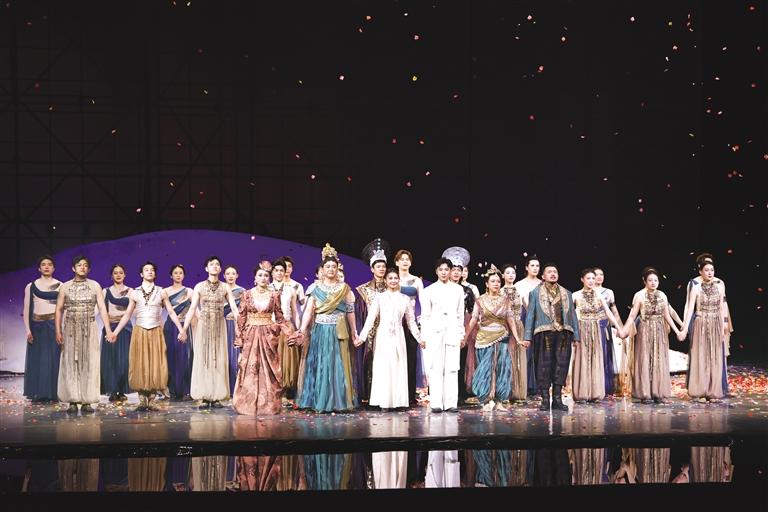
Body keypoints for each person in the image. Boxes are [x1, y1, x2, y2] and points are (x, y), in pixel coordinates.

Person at [110, 261, 186, 411]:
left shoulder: (161, 291)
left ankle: (151, 399)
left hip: (155, 331)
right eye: (146, 270)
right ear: (141, 274)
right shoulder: (135, 292)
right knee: (140, 363)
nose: (150, 272)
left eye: (152, 270)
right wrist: (115, 332)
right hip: (140, 331)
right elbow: (127, 315)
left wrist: (181, 329)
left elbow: (171, 312)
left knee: (155, 363)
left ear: (155, 274)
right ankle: (142, 400)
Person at [295, 243, 359, 412]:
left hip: (339, 331)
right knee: (321, 364)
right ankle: (319, 400)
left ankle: (339, 401)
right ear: (322, 270)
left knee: (338, 364)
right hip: (320, 330)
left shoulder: (345, 289)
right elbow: (308, 312)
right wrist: (302, 330)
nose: (331, 269)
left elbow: (350, 312)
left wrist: (354, 332)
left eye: (334, 267)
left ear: (338, 269)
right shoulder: (315, 288)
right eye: (328, 266)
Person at [232, 266, 295, 415]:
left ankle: (268, 404)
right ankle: (248, 404)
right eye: (260, 275)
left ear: (269, 278)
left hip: (268, 335)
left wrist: (289, 333)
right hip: (251, 335)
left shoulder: (274, 295)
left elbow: (280, 317)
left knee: (269, 369)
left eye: (266, 275)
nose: (263, 278)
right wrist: (239, 337)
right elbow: (241, 317)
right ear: (255, 278)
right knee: (250, 367)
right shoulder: (247, 294)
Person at [55, 255, 114, 414]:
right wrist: (58, 330)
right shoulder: (65, 286)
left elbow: (102, 308)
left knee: (89, 362)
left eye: (85, 265)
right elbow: (59, 309)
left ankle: (87, 400)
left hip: (89, 328)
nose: (82, 267)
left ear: (89, 269)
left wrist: (108, 330)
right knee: (70, 363)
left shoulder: (95, 286)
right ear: (73, 268)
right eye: (79, 265)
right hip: (70, 329)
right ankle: (73, 400)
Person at [181, 256, 240, 409]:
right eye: (211, 264)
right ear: (206, 268)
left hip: (220, 326)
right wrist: (184, 329)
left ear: (220, 269)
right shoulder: (199, 286)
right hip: (204, 326)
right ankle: (204, 396)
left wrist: (240, 326)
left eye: (217, 264)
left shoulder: (225, 287)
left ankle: (217, 396)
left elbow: (234, 308)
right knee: (204, 359)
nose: (215, 266)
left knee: (218, 358)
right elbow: (192, 308)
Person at [358, 268, 421, 410]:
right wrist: (362, 337)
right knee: (384, 367)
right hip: (383, 335)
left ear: (399, 280)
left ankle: (398, 402)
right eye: (390, 278)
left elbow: (411, 321)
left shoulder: (405, 299)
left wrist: (419, 338)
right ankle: (384, 402)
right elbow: (370, 318)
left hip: (399, 336)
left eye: (395, 278)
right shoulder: (380, 298)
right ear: (385, 281)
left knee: (398, 366)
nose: (393, 281)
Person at [619, 267, 683, 404]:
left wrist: (678, 331)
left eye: (656, 280)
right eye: (650, 280)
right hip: (645, 329)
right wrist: (624, 330)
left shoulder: (662, 295)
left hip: (659, 330)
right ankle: (645, 393)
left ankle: (658, 392)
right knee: (645, 359)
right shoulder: (639, 295)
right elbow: (632, 315)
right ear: (645, 281)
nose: (653, 283)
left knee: (659, 360)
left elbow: (667, 315)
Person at [466, 265, 525, 412]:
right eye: (493, 281)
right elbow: (473, 320)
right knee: (484, 370)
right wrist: (465, 336)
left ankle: (499, 401)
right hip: (484, 339)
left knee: (503, 369)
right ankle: (486, 401)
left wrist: (517, 338)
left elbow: (510, 319)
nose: (496, 284)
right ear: (487, 283)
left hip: (502, 337)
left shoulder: (505, 300)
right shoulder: (480, 300)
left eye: (498, 281)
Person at [522, 262, 580, 411]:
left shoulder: (566, 293)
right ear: (543, 276)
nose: (553, 274)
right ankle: (545, 399)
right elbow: (530, 315)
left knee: (561, 365)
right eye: (549, 272)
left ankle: (557, 399)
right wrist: (527, 336)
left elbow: (573, 316)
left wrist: (576, 336)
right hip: (544, 332)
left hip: (563, 333)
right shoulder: (535, 293)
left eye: (555, 272)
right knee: (543, 365)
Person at [679, 260, 728, 402]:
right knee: (701, 356)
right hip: (701, 323)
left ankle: (713, 392)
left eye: (712, 270)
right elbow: (690, 309)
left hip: (715, 323)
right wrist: (684, 328)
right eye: (706, 270)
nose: (710, 273)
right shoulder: (696, 287)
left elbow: (722, 307)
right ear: (700, 272)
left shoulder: (720, 286)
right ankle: (700, 391)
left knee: (715, 357)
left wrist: (723, 325)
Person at [420, 257, 465, 412]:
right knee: (436, 368)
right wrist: (424, 337)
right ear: (436, 271)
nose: (444, 272)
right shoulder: (429, 291)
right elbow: (425, 316)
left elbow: (460, 314)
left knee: (452, 368)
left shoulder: (458, 290)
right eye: (441, 269)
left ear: (450, 271)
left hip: (452, 332)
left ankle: (451, 403)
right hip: (434, 334)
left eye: (447, 269)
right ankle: (436, 403)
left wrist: (461, 334)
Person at [571, 269, 622, 403]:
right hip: (582, 330)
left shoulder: (599, 295)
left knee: (595, 359)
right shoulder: (575, 295)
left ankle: (595, 393)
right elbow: (569, 315)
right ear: (582, 279)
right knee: (582, 359)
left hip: (595, 330)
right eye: (588, 278)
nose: (591, 281)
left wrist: (618, 327)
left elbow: (608, 312)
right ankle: (582, 393)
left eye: (593, 278)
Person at [353, 238, 390, 406]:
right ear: (372, 269)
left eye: (383, 266)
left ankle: (387, 396)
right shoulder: (363, 290)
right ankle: (369, 395)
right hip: (370, 332)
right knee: (370, 361)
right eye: (378, 266)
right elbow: (360, 315)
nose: (381, 269)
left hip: (389, 331)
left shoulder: (393, 287)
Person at [22, 255, 62, 403]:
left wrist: (60, 329)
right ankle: (37, 393)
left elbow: (62, 309)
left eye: (49, 264)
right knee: (37, 360)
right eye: (43, 264)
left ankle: (52, 393)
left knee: (53, 359)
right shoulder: (31, 286)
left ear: (54, 268)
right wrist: (28, 330)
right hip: (37, 326)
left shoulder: (60, 285)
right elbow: (26, 309)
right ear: (39, 268)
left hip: (53, 325)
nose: (46, 266)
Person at [269, 258, 301, 405]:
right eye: (276, 270)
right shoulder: (266, 289)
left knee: (287, 361)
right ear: (272, 272)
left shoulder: (291, 290)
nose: (279, 273)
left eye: (282, 270)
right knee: (272, 359)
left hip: (287, 327)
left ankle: (286, 393)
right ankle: (272, 392)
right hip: (270, 328)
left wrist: (298, 330)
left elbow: (295, 312)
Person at [100, 264, 132, 402]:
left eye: (121, 272)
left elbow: (133, 311)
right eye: (115, 273)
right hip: (110, 328)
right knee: (111, 360)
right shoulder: (105, 291)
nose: (118, 275)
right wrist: (108, 330)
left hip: (125, 329)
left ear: (125, 275)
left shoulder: (131, 291)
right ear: (111, 276)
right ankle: (112, 390)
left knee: (124, 360)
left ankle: (122, 390)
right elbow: (101, 311)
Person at [164, 264, 194, 400]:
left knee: (185, 358)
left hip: (185, 326)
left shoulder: (189, 291)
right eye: (175, 273)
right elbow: (165, 311)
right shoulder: (165, 291)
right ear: (171, 275)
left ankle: (185, 390)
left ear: (184, 275)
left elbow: (194, 310)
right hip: (171, 327)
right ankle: (172, 390)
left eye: (180, 273)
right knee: (171, 357)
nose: (178, 275)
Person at [514, 256, 542, 397]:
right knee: (527, 351)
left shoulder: (542, 284)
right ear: (526, 267)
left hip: (541, 319)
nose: (535, 268)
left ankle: (539, 385)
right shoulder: (519, 285)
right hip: (525, 318)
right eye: (532, 265)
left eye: (537, 265)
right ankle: (525, 384)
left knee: (539, 352)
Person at [501, 263, 527, 402]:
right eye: (508, 273)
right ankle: (505, 392)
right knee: (506, 358)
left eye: (513, 273)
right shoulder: (499, 291)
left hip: (518, 325)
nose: (511, 275)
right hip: (504, 328)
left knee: (518, 359)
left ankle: (518, 391)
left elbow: (528, 309)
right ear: (503, 275)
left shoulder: (520, 291)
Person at [223, 265, 245, 396]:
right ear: (224, 276)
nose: (230, 276)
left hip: (236, 326)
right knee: (223, 356)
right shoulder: (221, 290)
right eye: (228, 273)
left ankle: (236, 388)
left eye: (233, 273)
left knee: (236, 356)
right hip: (223, 326)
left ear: (237, 276)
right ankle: (224, 388)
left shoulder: (242, 291)